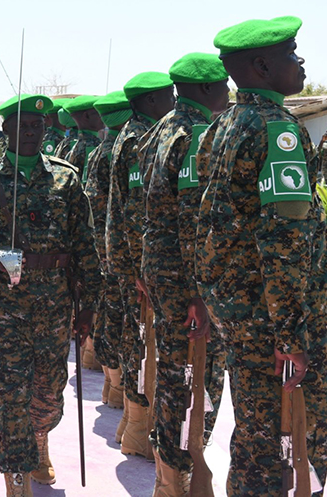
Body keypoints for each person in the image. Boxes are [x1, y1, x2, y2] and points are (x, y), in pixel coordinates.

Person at [196, 16, 327, 496]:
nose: (300, 62)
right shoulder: (279, 131)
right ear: (261, 65)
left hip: (241, 313)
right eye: (292, 54)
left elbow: (209, 223)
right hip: (274, 319)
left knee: (256, 439)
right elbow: (283, 244)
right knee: (295, 443)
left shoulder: (222, 126)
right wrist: (291, 334)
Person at [0, 94, 99, 496]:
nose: (31, 132)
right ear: (7, 131)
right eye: (23, 126)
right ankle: (17, 475)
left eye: (37, 125)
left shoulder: (66, 179)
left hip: (55, 304)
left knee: (50, 391)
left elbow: (85, 244)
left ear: (45, 130)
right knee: (12, 389)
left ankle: (39, 440)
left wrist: (88, 306)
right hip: (5, 305)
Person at [140, 52, 230, 494]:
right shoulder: (195, 135)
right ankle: (180, 478)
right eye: (225, 87)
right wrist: (199, 293)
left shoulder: (158, 131)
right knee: (196, 382)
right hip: (186, 281)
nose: (230, 94)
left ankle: (169, 477)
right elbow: (194, 219)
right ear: (209, 90)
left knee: (174, 377)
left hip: (163, 273)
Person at [105, 71, 174, 458]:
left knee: (137, 341)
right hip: (138, 264)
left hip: (131, 262)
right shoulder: (137, 140)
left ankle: (133, 427)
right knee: (141, 344)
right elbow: (135, 211)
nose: (175, 104)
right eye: (169, 97)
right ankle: (136, 429)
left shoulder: (137, 135)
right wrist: (140, 270)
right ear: (149, 102)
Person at [84, 91, 132, 410]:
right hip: (120, 254)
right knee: (121, 324)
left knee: (107, 318)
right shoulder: (122, 150)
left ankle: (113, 391)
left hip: (102, 250)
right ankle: (127, 405)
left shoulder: (99, 152)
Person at [61, 95, 102, 174]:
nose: (102, 117)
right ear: (86, 116)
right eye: (98, 113)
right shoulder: (92, 145)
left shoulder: (78, 144)